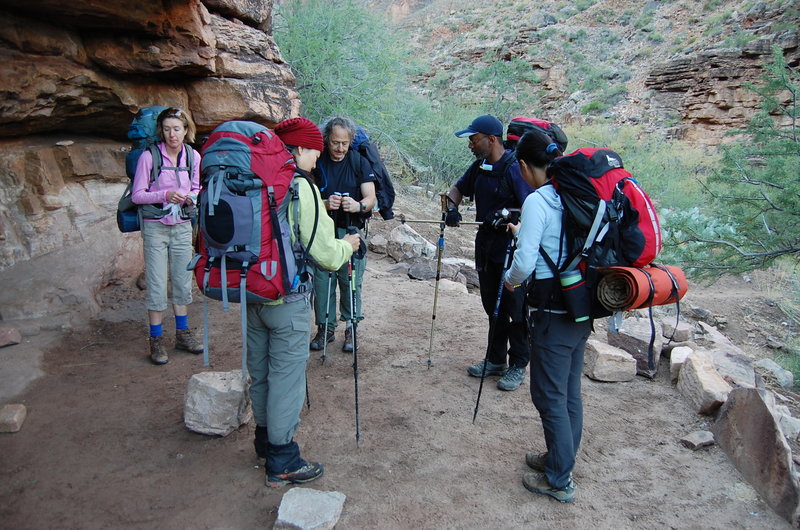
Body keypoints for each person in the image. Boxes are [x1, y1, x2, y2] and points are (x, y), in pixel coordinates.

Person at [251, 117, 361, 487]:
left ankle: (264, 443)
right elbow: (326, 254)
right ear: (300, 149)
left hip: (253, 293)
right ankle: (282, 460)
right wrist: (349, 245)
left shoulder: (257, 179)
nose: (318, 158)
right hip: (288, 297)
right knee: (286, 378)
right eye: (314, 150)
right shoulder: (301, 187)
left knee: (262, 372)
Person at [503, 130, 592, 504]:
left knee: (549, 395)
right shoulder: (571, 193)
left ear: (523, 165)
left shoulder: (540, 200)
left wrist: (509, 282)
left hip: (551, 309)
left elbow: (524, 263)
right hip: (579, 305)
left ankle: (559, 478)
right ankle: (559, 458)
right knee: (569, 391)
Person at [445, 114, 533, 391]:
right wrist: (451, 208)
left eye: (474, 139)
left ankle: (518, 363)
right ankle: (495, 359)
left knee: (514, 308)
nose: (470, 144)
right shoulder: (479, 166)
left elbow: (532, 207)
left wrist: (509, 214)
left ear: (491, 139)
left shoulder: (514, 169)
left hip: (511, 249)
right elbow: (457, 189)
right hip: (486, 246)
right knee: (491, 307)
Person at [131, 107, 203, 365]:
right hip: (155, 226)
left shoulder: (193, 156)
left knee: (183, 281)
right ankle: (156, 340)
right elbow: (137, 195)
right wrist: (165, 195)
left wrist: (190, 198)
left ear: (186, 130)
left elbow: (196, 187)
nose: (172, 134)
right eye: (167, 129)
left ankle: (183, 334)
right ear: (161, 131)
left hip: (182, 225)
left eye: (177, 128)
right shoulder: (149, 157)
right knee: (157, 283)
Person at [309, 116, 377, 353]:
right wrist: (324, 203)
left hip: (350, 230)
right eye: (335, 142)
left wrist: (357, 206)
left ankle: (351, 327)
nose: (339, 148)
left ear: (350, 142)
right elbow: (308, 195)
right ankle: (325, 328)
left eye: (344, 143)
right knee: (322, 281)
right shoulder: (317, 161)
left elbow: (370, 198)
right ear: (327, 139)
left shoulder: (359, 162)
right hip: (323, 232)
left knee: (350, 281)